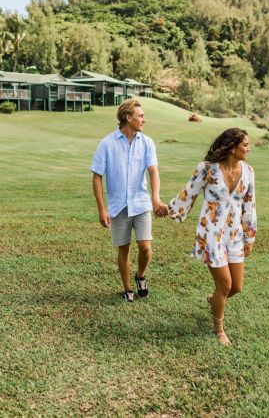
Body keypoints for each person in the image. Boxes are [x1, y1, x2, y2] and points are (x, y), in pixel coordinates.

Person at [167, 128, 257, 344]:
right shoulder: (207, 169)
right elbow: (188, 192)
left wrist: (249, 236)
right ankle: (219, 328)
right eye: (245, 144)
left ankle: (215, 299)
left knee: (236, 287)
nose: (249, 148)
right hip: (211, 234)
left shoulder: (248, 172)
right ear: (233, 147)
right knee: (225, 285)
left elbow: (249, 205)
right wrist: (168, 209)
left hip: (234, 234)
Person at [91, 98, 167, 302]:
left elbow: (153, 172)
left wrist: (156, 198)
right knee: (123, 249)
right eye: (140, 116)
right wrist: (102, 209)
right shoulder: (107, 143)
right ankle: (127, 289)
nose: (144, 120)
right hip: (118, 207)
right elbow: (97, 176)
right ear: (128, 117)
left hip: (141, 203)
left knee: (145, 247)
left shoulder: (147, 142)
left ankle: (140, 275)